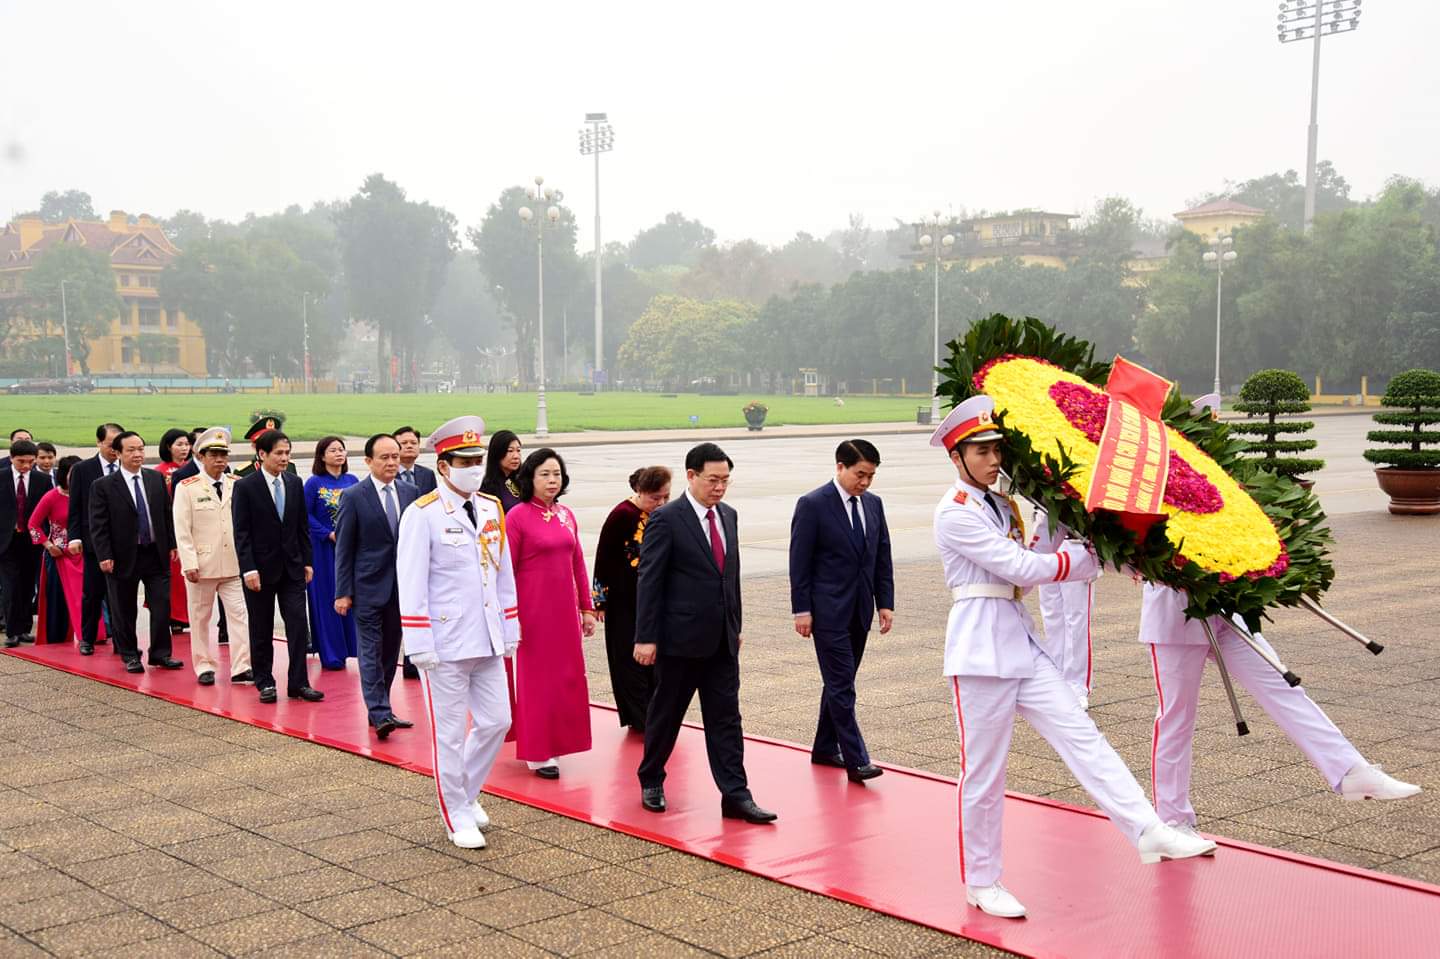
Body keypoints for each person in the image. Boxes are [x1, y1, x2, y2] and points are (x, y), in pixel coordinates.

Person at [930, 396, 1214, 920]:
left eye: (996, 449)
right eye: (981, 450)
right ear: (957, 456)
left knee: (1084, 737)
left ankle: (1148, 829)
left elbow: (1038, 561)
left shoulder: (1003, 504)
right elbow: (1019, 567)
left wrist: (1093, 539)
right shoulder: (954, 513)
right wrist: (1082, 557)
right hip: (978, 651)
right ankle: (982, 881)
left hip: (1020, 642)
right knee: (985, 774)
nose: (994, 459)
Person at [635, 443, 777, 824]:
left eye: (725, 480)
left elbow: (729, 577)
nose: (719, 488)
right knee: (666, 715)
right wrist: (645, 637)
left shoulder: (728, 516)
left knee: (726, 719)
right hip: (678, 641)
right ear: (691, 476)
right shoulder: (667, 518)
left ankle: (735, 795)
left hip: (721, 642)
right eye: (712, 480)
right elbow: (649, 581)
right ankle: (651, 778)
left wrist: (736, 626)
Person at [396, 415, 519, 849]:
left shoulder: (490, 507)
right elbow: (410, 582)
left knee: (497, 721)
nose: (473, 467)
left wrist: (510, 623)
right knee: (448, 735)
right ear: (443, 467)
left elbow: (500, 572)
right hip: (444, 643)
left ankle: (465, 793)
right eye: (463, 460)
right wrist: (418, 643)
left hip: (486, 635)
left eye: (477, 459)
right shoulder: (422, 514)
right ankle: (455, 814)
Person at [789, 438, 894, 782]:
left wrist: (885, 603)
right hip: (827, 611)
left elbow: (881, 557)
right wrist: (801, 609)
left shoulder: (874, 505)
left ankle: (823, 747)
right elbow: (799, 562)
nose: (864, 482)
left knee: (840, 681)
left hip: (860, 609)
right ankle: (856, 758)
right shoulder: (813, 504)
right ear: (840, 467)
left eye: (871, 476)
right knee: (842, 686)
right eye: (859, 474)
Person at [506, 448, 596, 777]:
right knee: (536, 680)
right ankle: (537, 750)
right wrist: (509, 614)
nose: (552, 480)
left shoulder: (566, 515)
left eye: (556, 474)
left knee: (567, 678)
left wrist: (587, 608)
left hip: (564, 612)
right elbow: (505, 570)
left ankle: (558, 740)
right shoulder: (516, 516)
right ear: (529, 478)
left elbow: (577, 564)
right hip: (532, 611)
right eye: (544, 474)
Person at [334, 433, 417, 738]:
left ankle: (381, 708)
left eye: (395, 456)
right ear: (368, 461)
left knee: (389, 651)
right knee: (369, 652)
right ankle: (380, 713)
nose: (392, 462)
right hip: (367, 587)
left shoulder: (410, 492)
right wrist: (342, 592)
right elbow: (344, 548)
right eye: (384, 457)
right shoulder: (355, 496)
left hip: (401, 588)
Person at [232, 429, 322, 704]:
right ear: (262, 455)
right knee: (261, 627)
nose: (285, 458)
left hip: (292, 568)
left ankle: (298, 683)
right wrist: (248, 568)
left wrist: (307, 561)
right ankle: (265, 681)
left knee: (297, 625)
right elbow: (241, 532)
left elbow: (301, 527)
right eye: (279, 453)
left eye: (287, 453)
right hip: (259, 570)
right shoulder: (245, 486)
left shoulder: (294, 483)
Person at [88, 431, 181, 674]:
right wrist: (104, 554)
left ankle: (161, 654)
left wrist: (172, 543)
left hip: (155, 552)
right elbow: (98, 525)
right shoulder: (103, 486)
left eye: (140, 448)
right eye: (131, 450)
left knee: (161, 605)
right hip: (122, 556)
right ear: (117, 453)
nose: (137, 454)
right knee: (124, 608)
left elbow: (165, 514)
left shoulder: (154, 479)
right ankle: (129, 654)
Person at [172, 428, 253, 687]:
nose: (220, 460)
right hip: (202, 565)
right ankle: (204, 665)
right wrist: (189, 563)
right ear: (201, 456)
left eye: (223, 455)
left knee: (240, 616)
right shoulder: (187, 487)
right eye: (214, 454)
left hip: (232, 564)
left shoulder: (237, 484)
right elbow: (182, 530)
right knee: (200, 618)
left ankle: (242, 666)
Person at [592, 466, 671, 732]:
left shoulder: (664, 516)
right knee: (628, 659)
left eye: (665, 498)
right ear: (639, 491)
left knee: (657, 660)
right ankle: (640, 718)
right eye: (654, 498)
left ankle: (656, 713)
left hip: (654, 599)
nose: (659, 504)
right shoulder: (621, 515)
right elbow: (603, 558)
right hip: (624, 599)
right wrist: (599, 601)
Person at [66, 423, 124, 655]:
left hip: (123, 543)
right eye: (111, 445)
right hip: (93, 543)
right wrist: (74, 537)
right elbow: (75, 508)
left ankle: (122, 643)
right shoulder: (83, 469)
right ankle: (87, 638)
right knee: (93, 594)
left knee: (120, 597)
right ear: (99, 442)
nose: (114, 450)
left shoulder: (127, 467)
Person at [305, 436, 358, 670]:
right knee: (327, 597)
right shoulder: (314, 484)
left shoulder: (353, 480)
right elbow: (305, 515)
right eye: (333, 450)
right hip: (323, 550)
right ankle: (330, 653)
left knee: (350, 595)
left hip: (349, 549)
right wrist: (327, 533)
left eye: (341, 450)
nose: (339, 454)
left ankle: (351, 648)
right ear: (322, 455)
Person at [28, 456, 93, 645]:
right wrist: (48, 546)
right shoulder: (52, 497)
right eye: (73, 473)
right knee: (57, 601)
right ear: (64, 474)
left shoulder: (88, 495)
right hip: (58, 556)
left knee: (89, 597)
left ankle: (90, 636)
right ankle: (57, 639)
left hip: (84, 555)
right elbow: (33, 524)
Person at [1, 440, 52, 647]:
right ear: (11, 458)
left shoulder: (42, 480)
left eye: (30, 462)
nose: (25, 466)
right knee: (11, 585)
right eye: (21, 461)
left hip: (32, 541)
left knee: (28, 586)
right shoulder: (2, 477)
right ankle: (12, 631)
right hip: (6, 540)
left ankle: (24, 628)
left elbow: (47, 513)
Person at [1036, 551, 1100, 709]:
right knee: (1052, 617)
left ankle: (1077, 686)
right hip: (1046, 549)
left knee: (1076, 619)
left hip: (1075, 547)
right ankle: (1056, 682)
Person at [155, 428, 193, 635]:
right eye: (179, 444)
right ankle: (175, 617)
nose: (184, 448)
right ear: (168, 447)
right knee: (175, 579)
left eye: (187, 444)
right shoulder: (159, 472)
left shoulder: (194, 468)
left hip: (195, 529)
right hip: (171, 531)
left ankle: (189, 616)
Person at [479, 430, 523, 513]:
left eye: (518, 450)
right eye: (510, 451)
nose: (516, 456)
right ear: (497, 453)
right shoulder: (487, 488)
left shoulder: (524, 480)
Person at [393, 426, 437, 494]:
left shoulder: (428, 474)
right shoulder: (387, 473)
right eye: (404, 443)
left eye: (413, 443)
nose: (409, 446)